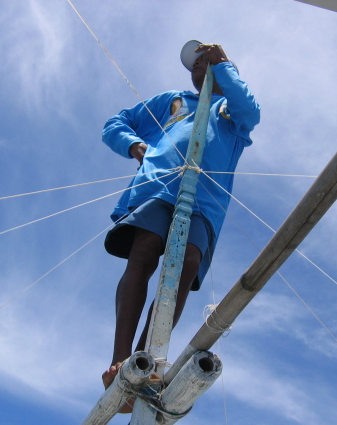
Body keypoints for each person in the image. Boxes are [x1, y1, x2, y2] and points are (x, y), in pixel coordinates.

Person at [101, 41, 260, 394]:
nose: (198, 65)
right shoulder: (174, 101)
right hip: (159, 187)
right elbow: (116, 122)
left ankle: (145, 359)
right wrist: (135, 146)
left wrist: (226, 66)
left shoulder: (230, 112)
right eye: (195, 63)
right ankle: (121, 358)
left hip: (205, 202)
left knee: (186, 262)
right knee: (145, 249)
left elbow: (251, 111)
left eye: (207, 60)